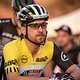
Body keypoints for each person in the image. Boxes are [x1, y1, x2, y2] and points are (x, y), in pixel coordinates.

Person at [3, 4, 80, 80]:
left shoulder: (51, 47)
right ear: (23, 30)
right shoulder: (11, 47)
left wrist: (69, 79)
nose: (41, 30)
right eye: (34, 26)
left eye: (43, 25)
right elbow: (13, 78)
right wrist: (51, 79)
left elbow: (76, 70)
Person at [0, 0, 35, 80]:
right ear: (12, 10)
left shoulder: (32, 31)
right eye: (19, 14)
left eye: (26, 15)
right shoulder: (2, 24)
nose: (21, 18)